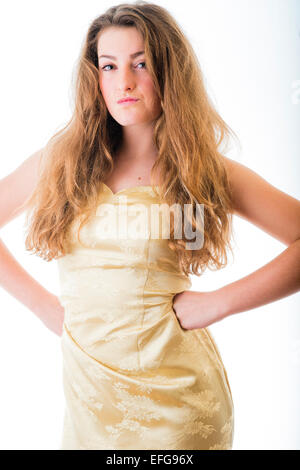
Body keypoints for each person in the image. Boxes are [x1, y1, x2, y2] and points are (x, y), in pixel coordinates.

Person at [0, 1, 299, 451]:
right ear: (94, 77)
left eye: (141, 63)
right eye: (109, 66)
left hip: (178, 407)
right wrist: (44, 307)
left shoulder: (204, 171)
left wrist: (216, 304)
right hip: (89, 401)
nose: (124, 82)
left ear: (168, 70)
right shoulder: (58, 165)